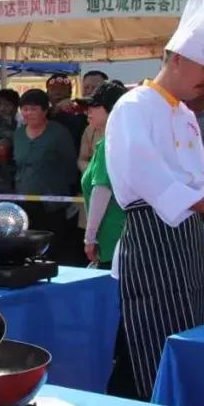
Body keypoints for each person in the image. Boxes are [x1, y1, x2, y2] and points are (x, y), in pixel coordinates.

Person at [106, 0, 204, 400]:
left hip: (189, 244)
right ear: (175, 59)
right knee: (157, 341)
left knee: (195, 333)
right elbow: (144, 175)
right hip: (152, 243)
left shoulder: (186, 116)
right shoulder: (133, 106)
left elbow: (197, 181)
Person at [13, 88, 79, 263]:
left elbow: (70, 165)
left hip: (53, 203)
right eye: (25, 109)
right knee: (26, 251)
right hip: (24, 200)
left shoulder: (59, 133)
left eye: (33, 109)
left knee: (52, 250)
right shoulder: (18, 134)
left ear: (45, 110)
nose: (28, 113)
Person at [81, 80, 128, 268]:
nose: (88, 111)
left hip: (112, 239)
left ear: (112, 108)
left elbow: (101, 191)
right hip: (123, 237)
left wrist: (90, 238)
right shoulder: (122, 140)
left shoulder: (109, 144)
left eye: (94, 106)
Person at [46, 73, 87, 148]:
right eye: (53, 89)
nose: (57, 93)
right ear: (47, 93)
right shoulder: (43, 113)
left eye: (62, 89)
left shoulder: (80, 112)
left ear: (70, 93)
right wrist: (55, 109)